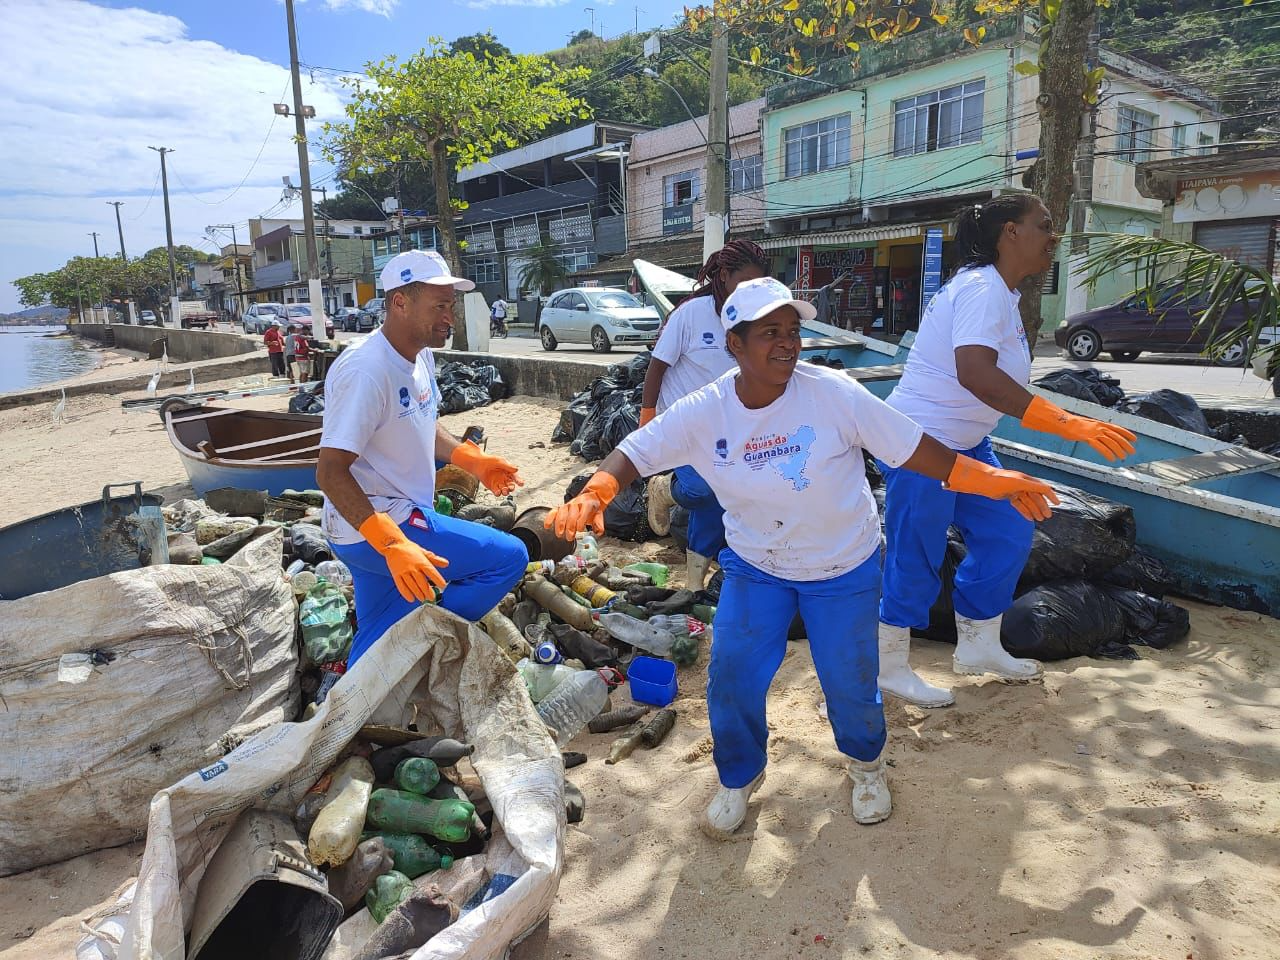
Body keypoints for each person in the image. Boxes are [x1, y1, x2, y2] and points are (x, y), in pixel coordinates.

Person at [545, 277, 1058, 835]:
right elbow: (634, 452)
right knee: (733, 675)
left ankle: (866, 766)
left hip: (843, 565)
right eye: (770, 333)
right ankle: (739, 776)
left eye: (793, 331)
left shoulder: (833, 392)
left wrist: (992, 479)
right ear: (734, 345)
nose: (788, 343)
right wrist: (595, 493)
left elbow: (914, 448)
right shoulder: (706, 410)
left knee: (850, 682)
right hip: (757, 567)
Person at [877, 195, 1138, 709]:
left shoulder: (1001, 293)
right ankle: (888, 668)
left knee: (1010, 528)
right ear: (1010, 233)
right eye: (1043, 225)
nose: (1052, 236)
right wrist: (1066, 423)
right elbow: (977, 375)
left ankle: (978, 646)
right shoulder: (980, 288)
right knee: (916, 554)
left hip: (968, 442)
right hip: (921, 444)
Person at [317, 250, 529, 667]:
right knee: (508, 558)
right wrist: (394, 544)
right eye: (440, 306)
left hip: (376, 523)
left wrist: (473, 461)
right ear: (399, 302)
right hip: (375, 525)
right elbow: (329, 471)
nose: (449, 317)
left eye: (451, 306)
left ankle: (349, 702)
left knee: (377, 624)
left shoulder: (420, 355)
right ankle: (419, 644)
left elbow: (421, 423)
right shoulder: (366, 371)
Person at [639, 240, 771, 590]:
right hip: (682, 425)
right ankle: (665, 488)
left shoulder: (752, 318)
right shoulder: (691, 314)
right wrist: (647, 415)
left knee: (723, 494)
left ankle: (694, 584)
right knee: (700, 490)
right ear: (724, 276)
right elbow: (656, 367)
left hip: (729, 427)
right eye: (744, 284)